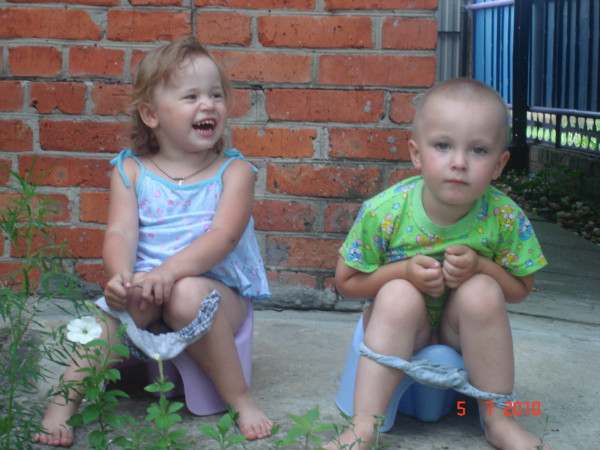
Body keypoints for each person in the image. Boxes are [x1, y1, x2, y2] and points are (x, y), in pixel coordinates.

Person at [34, 36, 273, 447]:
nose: (208, 105)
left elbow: (224, 236)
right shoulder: (130, 170)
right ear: (150, 114)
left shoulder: (234, 172)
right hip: (149, 287)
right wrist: (121, 276)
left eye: (216, 95)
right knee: (119, 308)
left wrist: (169, 272)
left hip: (215, 294)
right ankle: (62, 404)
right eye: (191, 96)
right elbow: (120, 232)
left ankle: (240, 399)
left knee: (185, 293)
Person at [325, 78, 550, 450]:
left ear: (499, 164)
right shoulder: (385, 212)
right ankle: (365, 424)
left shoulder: (505, 218)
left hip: (459, 336)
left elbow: (520, 290)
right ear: (416, 153)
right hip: (399, 327)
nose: (459, 162)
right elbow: (346, 282)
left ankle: (499, 421)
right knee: (398, 293)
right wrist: (403, 271)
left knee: (482, 291)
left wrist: (482, 267)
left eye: (478, 150)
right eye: (443, 145)